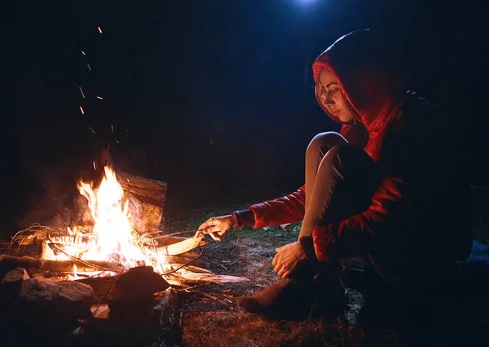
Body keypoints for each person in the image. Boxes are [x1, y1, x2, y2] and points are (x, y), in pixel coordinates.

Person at [196, 29, 472, 322]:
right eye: (320, 88)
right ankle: (322, 289)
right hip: (382, 253)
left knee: (339, 155)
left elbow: (388, 219)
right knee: (324, 144)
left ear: (363, 82)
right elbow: (312, 198)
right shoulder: (362, 128)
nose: (325, 98)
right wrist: (238, 218)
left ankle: (301, 285)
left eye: (334, 87)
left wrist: (307, 249)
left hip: (424, 261)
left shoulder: (409, 126)